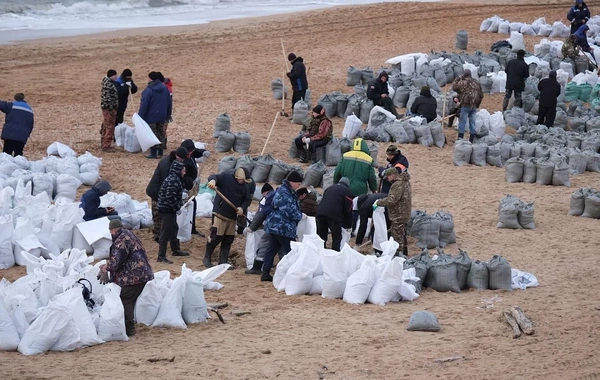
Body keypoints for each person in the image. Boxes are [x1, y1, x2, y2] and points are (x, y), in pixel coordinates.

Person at [98, 218, 153, 337]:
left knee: (125, 299)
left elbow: (116, 263)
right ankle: (128, 325)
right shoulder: (129, 234)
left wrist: (105, 268)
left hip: (133, 277)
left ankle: (129, 329)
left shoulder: (120, 242)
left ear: (112, 230)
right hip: (143, 274)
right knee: (131, 299)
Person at [260, 171, 303, 282]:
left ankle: (265, 273)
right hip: (283, 227)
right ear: (292, 182)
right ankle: (292, 273)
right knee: (291, 251)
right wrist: (300, 216)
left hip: (276, 226)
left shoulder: (284, 191)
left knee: (272, 249)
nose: (299, 186)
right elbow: (288, 211)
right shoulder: (284, 193)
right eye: (298, 183)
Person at [204, 167, 251, 268]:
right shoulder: (225, 178)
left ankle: (223, 261)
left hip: (232, 216)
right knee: (215, 237)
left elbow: (246, 200)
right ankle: (207, 258)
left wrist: (242, 208)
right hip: (220, 214)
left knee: (228, 240)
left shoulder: (245, 187)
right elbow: (214, 177)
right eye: (242, 180)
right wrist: (212, 181)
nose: (242, 182)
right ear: (237, 176)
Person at [146, 146, 189, 242]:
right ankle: (158, 236)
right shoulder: (166, 164)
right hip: (156, 191)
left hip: (163, 190)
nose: (182, 161)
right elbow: (168, 181)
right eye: (181, 159)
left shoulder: (174, 162)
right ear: (177, 156)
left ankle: (164, 235)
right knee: (158, 214)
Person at [373, 167, 412, 256]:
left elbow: (392, 200)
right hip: (404, 213)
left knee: (397, 239)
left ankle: (398, 256)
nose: (388, 179)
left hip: (398, 215)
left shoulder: (397, 185)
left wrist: (379, 202)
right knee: (402, 235)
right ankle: (404, 254)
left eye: (388, 177)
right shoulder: (405, 182)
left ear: (392, 175)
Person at [156, 160, 188, 264]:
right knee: (165, 232)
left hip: (169, 209)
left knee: (174, 228)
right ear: (179, 171)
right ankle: (161, 256)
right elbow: (170, 198)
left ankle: (175, 250)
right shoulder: (173, 180)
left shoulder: (174, 178)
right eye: (183, 170)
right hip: (167, 210)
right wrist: (177, 207)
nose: (184, 172)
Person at [243, 183, 276, 275]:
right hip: (284, 228)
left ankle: (257, 268)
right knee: (280, 248)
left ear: (264, 193)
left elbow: (260, 215)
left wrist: (252, 228)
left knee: (263, 245)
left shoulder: (267, 198)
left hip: (273, 227)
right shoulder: (280, 195)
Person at [179, 139, 209, 237]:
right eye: (190, 152)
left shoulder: (190, 153)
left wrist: (203, 152)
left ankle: (192, 228)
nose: (191, 153)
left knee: (193, 206)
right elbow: (182, 176)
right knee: (184, 209)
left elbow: (196, 152)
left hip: (192, 188)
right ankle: (183, 229)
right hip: (185, 188)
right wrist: (192, 181)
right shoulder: (182, 160)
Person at [139, 71, 172, 159]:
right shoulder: (165, 88)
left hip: (151, 116)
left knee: (152, 134)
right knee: (161, 133)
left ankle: (153, 153)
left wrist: (140, 116)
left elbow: (144, 105)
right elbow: (169, 102)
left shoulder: (148, 90)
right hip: (162, 115)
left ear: (151, 79)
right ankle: (160, 152)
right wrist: (168, 114)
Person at [316, 177, 353, 251]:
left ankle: (320, 252)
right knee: (337, 237)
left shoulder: (329, 188)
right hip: (334, 215)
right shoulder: (347, 192)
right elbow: (348, 210)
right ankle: (335, 254)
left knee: (321, 236)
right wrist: (348, 225)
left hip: (320, 213)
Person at [451, 69, 484, 142]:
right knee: (472, 123)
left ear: (464, 75)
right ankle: (471, 140)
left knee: (462, 122)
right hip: (474, 105)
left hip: (466, 105)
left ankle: (460, 139)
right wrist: (477, 104)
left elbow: (454, 88)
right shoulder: (477, 82)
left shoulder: (464, 82)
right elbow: (481, 95)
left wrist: (457, 79)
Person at [100, 69, 119, 152]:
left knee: (106, 125)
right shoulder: (109, 85)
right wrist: (112, 109)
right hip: (109, 109)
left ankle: (103, 142)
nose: (116, 77)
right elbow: (109, 99)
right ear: (112, 75)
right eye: (115, 75)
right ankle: (106, 145)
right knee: (110, 126)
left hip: (106, 108)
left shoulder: (107, 83)